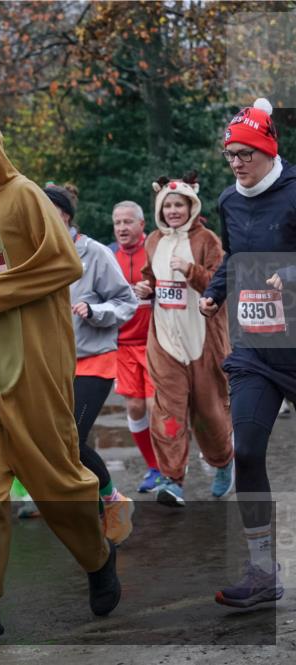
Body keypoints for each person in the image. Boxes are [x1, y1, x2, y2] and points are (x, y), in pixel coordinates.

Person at [0, 87, 119, 638]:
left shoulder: (24, 195)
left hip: (32, 362)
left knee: (54, 481)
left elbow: (62, 263)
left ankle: (99, 558)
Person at [200, 97, 294, 607]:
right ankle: (261, 572)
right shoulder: (229, 200)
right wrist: (216, 290)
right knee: (249, 451)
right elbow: (236, 255)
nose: (236, 162)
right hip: (256, 349)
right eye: (230, 154)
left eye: (245, 153)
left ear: (267, 149)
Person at [45, 184, 138, 545]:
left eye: (45, 209)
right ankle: (94, 507)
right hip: (52, 364)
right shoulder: (36, 254)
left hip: (93, 360)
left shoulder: (94, 252)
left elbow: (125, 301)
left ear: (64, 214)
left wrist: (95, 311)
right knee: (53, 442)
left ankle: (115, 503)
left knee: (70, 440)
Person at [133, 173, 234, 508]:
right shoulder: (152, 240)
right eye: (168, 205)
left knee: (209, 412)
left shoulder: (207, 239)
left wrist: (191, 270)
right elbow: (150, 276)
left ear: (191, 206)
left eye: (179, 204)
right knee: (168, 411)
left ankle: (223, 461)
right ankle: (173, 479)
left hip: (203, 341)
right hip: (165, 339)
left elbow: (221, 284)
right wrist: (145, 287)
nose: (173, 211)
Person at [110, 200, 164, 492]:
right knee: (134, 406)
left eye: (127, 222)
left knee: (155, 407)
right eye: (117, 223)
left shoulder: (155, 249)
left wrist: (152, 289)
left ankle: (170, 466)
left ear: (142, 224)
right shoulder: (108, 256)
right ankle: (153, 467)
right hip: (122, 344)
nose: (122, 228)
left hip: (155, 342)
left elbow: (172, 285)